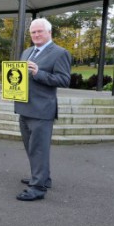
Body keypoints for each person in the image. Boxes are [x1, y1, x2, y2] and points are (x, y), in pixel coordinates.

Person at [14, 17, 71, 201]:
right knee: (31, 147)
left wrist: (39, 73)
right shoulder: (27, 52)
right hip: (24, 107)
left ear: (49, 32)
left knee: (39, 149)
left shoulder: (60, 53)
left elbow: (64, 80)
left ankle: (37, 188)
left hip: (42, 110)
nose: (36, 35)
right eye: (33, 32)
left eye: (40, 31)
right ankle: (42, 178)